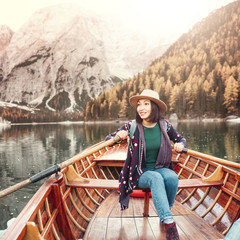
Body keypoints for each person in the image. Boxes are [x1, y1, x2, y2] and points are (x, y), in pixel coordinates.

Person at [105, 89, 186, 240]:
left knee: (173, 177)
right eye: (139, 105)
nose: (141, 108)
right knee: (155, 178)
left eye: (146, 104)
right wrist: (118, 137)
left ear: (154, 106)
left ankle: (165, 210)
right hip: (138, 172)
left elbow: (180, 138)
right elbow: (107, 141)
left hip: (161, 167)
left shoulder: (164, 125)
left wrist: (180, 144)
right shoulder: (132, 126)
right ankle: (169, 223)